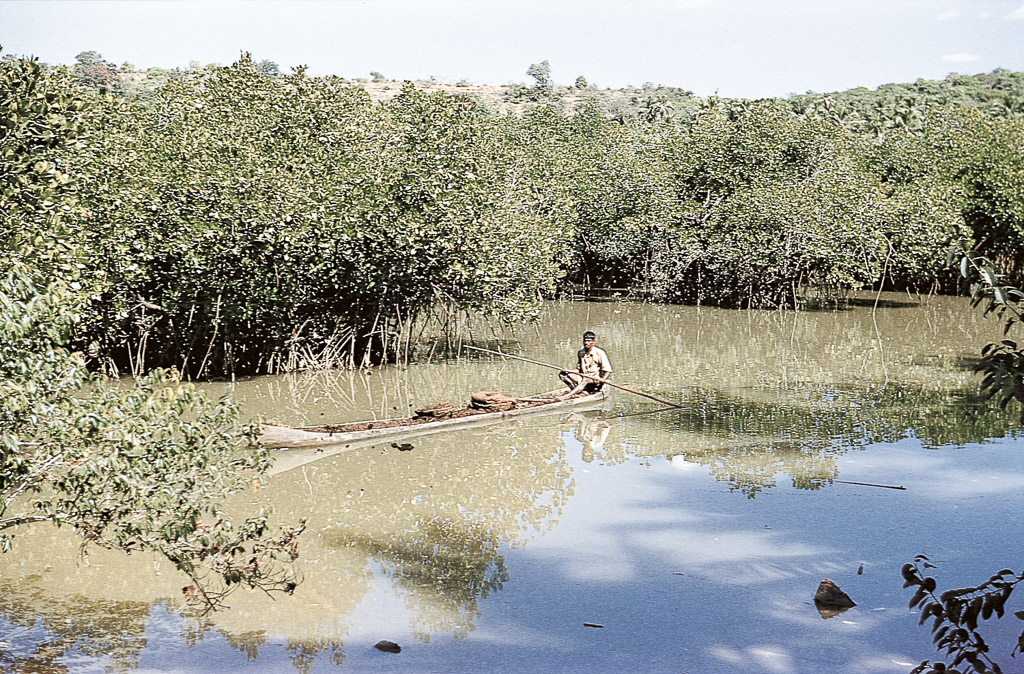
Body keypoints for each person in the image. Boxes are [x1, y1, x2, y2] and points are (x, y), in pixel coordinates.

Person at [559, 331, 612, 397]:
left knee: (586, 380)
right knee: (563, 375)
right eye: (585, 341)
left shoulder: (599, 352)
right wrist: (569, 371)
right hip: (583, 378)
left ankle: (567, 396)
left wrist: (603, 379)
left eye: (589, 341)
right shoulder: (581, 353)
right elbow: (579, 370)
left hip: (595, 380)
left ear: (593, 341)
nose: (586, 343)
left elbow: (608, 370)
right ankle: (578, 391)